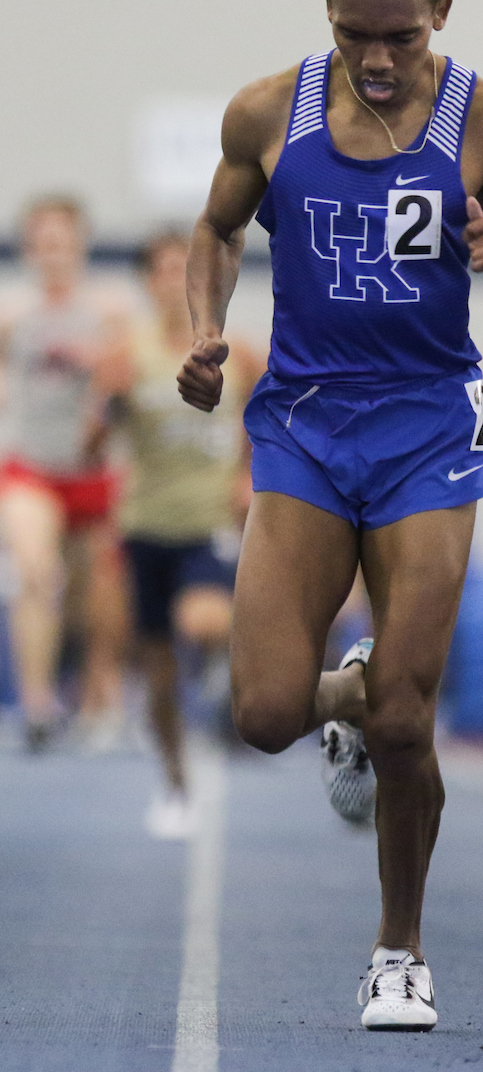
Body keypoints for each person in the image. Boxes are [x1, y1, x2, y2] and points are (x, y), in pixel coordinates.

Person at [177, 0, 483, 1030]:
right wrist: (203, 330)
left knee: (409, 722)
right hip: (304, 427)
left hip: (421, 431)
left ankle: (396, 951)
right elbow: (212, 231)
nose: (375, 58)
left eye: (398, 36)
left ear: (437, 16)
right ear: (329, 15)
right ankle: (350, 691)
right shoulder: (268, 111)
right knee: (264, 713)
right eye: (355, 33)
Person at [110, 231, 262, 837]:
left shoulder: (240, 352)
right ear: (147, 282)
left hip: (207, 524)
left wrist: (248, 475)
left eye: (185, 271)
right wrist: (111, 403)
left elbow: (265, 419)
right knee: (156, 673)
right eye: (163, 271)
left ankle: (221, 671)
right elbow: (98, 443)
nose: (175, 283)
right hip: (146, 523)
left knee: (202, 621)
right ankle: (175, 782)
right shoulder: (126, 352)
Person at [0, 197, 129, 752]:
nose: (52, 253)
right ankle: (36, 704)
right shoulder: (11, 316)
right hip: (31, 468)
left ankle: (100, 696)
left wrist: (99, 366)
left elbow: (128, 385)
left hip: (92, 473)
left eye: (62, 241)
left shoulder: (109, 311)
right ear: (30, 250)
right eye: (42, 242)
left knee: (89, 603)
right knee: (34, 572)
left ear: (79, 245)